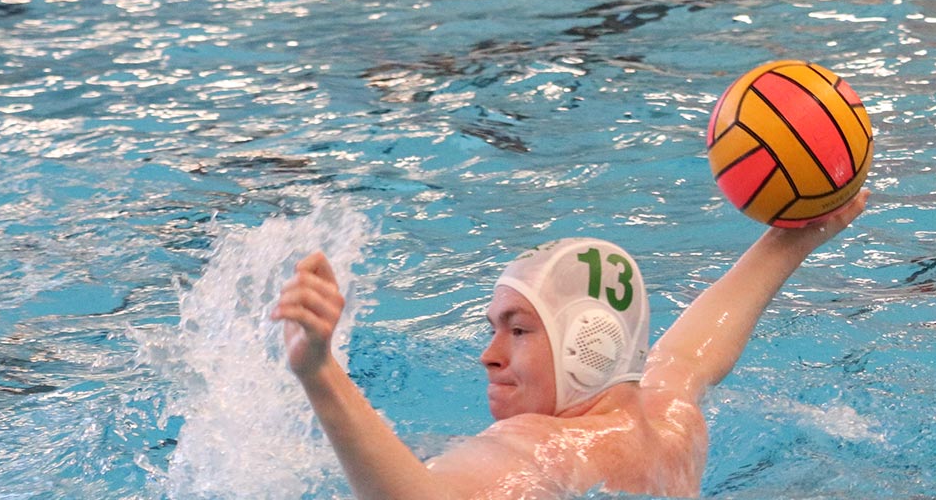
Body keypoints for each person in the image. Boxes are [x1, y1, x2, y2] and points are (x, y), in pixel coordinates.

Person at [271, 189, 870, 499]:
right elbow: (688, 355)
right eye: (493, 329)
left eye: (518, 330)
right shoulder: (672, 425)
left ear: (590, 343)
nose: (489, 355)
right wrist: (793, 240)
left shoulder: (542, 446)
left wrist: (322, 376)